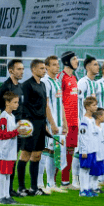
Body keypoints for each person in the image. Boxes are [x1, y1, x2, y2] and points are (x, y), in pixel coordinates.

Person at [20, 59, 53, 196]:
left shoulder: (43, 85)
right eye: (41, 68)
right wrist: (26, 124)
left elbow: (44, 106)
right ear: (33, 69)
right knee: (25, 154)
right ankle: (21, 187)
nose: (44, 71)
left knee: (37, 155)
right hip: (30, 124)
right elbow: (23, 105)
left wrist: (45, 124)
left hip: (40, 124)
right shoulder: (27, 85)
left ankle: (34, 187)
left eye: (45, 69)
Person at [0, 59, 25, 195]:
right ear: (11, 71)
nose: (22, 72)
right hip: (9, 128)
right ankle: (1, 190)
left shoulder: (20, 87)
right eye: (19, 69)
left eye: (22, 69)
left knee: (13, 158)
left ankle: (9, 189)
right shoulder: (5, 87)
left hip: (17, 126)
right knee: (4, 160)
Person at [41, 56, 66, 193]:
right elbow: (45, 104)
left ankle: (52, 183)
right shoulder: (45, 82)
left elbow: (60, 103)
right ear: (47, 67)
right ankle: (43, 183)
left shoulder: (57, 82)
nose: (58, 67)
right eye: (54, 65)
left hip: (59, 123)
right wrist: (51, 123)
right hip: (50, 124)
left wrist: (65, 122)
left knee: (56, 152)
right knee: (48, 150)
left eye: (58, 64)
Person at [58, 51, 80, 188]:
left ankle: (65, 180)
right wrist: (63, 120)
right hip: (64, 122)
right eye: (75, 59)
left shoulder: (74, 77)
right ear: (67, 61)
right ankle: (51, 180)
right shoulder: (61, 77)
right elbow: (58, 100)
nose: (77, 61)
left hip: (74, 121)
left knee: (70, 151)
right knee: (58, 150)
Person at [0, 92, 20, 205]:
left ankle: (7, 195)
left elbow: (12, 131)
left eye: (17, 102)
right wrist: (16, 131)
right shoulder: (4, 117)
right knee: (4, 172)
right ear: (7, 103)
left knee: (8, 173)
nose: (17, 104)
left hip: (10, 149)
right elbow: (2, 134)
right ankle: (1, 197)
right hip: (4, 149)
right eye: (14, 102)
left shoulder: (12, 116)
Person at [78, 96, 99, 197]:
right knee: (84, 169)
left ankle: (87, 188)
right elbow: (82, 136)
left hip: (92, 148)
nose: (96, 107)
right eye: (94, 105)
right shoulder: (84, 120)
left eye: (96, 105)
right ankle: (82, 190)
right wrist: (84, 150)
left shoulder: (92, 119)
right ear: (87, 107)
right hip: (86, 149)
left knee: (89, 169)